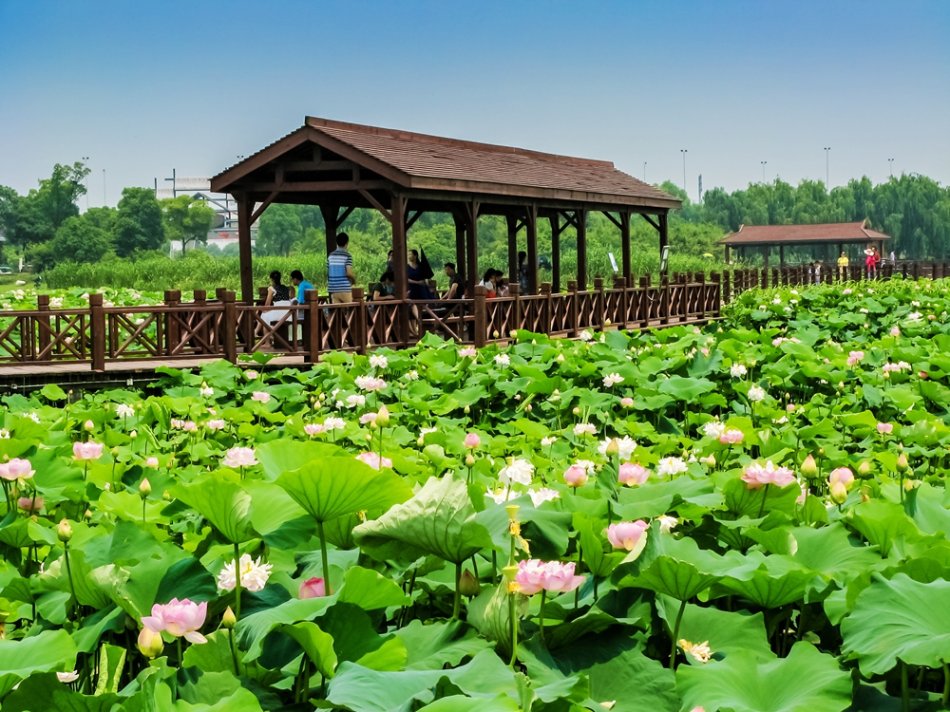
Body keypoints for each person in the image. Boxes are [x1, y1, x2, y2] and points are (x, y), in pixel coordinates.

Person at [327, 232, 356, 303]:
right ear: (347, 243)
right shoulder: (347, 256)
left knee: (337, 313)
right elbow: (348, 273)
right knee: (350, 312)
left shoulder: (330, 256)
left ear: (337, 242)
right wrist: (354, 280)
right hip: (344, 288)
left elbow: (328, 273)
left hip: (333, 289)